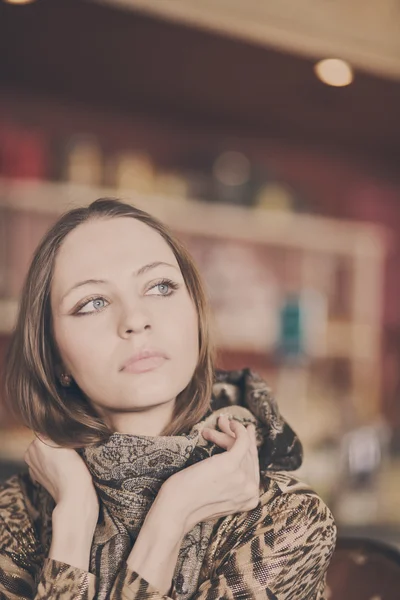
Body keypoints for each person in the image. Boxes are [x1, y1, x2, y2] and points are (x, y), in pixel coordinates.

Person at [0, 198, 336, 599]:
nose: (135, 320)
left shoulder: (286, 519)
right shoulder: (17, 511)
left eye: (160, 287)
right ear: (54, 355)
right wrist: (74, 515)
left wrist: (173, 512)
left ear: (195, 310)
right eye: (93, 302)